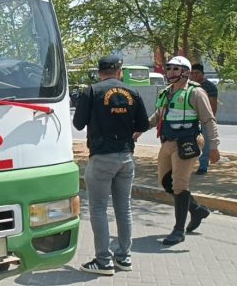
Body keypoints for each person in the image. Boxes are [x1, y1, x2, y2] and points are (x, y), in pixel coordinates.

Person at [73, 55, 149, 276]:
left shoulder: (92, 91)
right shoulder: (132, 92)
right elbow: (143, 124)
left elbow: (78, 124)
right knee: (123, 209)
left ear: (99, 72)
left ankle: (104, 261)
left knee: (98, 208)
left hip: (102, 157)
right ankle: (124, 258)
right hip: (126, 157)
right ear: (119, 71)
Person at [134, 55, 220, 246]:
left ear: (185, 72)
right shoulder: (167, 92)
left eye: (175, 69)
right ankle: (196, 210)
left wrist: (214, 146)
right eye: (169, 68)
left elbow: (208, 120)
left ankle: (178, 231)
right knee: (165, 182)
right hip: (167, 143)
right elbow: (158, 116)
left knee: (180, 185)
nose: (170, 72)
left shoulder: (196, 93)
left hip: (187, 143)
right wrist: (140, 129)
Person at [189, 63, 218, 175]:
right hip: (191, 118)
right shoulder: (188, 86)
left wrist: (210, 121)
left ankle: (203, 166)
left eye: (197, 73)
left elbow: (213, 105)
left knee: (205, 143)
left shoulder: (210, 87)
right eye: (192, 73)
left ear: (202, 74)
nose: (194, 75)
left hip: (205, 118)